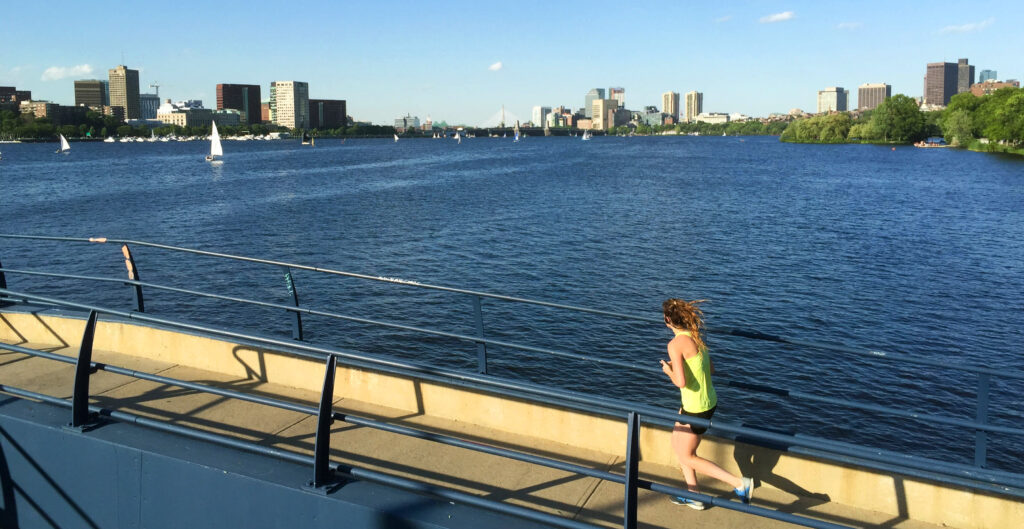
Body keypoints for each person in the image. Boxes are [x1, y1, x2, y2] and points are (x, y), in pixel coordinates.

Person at [660, 298, 753, 510]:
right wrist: (684, 364)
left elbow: (681, 382)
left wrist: (669, 370)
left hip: (695, 408)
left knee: (688, 456)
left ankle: (739, 484)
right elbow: (711, 369)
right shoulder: (695, 337)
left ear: (667, 320)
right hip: (707, 402)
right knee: (678, 445)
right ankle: (694, 496)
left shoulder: (674, 344)